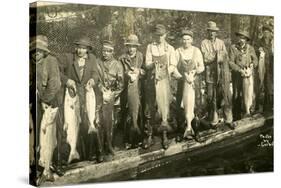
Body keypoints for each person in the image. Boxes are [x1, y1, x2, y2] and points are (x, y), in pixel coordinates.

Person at [58, 36, 104, 163]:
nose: (80, 51)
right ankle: (73, 154)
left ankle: (97, 152)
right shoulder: (68, 58)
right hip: (73, 96)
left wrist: (93, 80)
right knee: (73, 124)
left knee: (91, 122)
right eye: (78, 47)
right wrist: (66, 80)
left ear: (88, 50)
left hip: (88, 95)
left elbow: (95, 74)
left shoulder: (92, 59)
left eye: (83, 48)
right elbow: (58, 71)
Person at [30, 35, 62, 183]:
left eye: (39, 51)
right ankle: (39, 167)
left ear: (44, 52)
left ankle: (55, 164)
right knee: (37, 136)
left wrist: (45, 101)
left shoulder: (51, 61)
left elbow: (55, 83)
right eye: (34, 51)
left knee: (53, 136)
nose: (36, 53)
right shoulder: (31, 64)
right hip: (36, 104)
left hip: (50, 104)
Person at [145, 24, 178, 149]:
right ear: (154, 35)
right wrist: (153, 65)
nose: (159, 38)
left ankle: (164, 134)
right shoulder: (150, 47)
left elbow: (173, 64)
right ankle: (149, 135)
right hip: (152, 81)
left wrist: (166, 71)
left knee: (164, 105)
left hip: (165, 80)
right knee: (150, 109)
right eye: (157, 35)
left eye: (161, 35)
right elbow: (147, 64)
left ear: (165, 35)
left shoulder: (170, 48)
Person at [171, 29, 204, 141]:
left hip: (194, 83)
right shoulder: (177, 51)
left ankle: (196, 130)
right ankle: (181, 131)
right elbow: (173, 67)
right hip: (182, 83)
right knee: (181, 107)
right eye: (184, 39)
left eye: (188, 39)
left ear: (192, 40)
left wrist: (194, 72)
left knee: (196, 106)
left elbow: (201, 67)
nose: (186, 41)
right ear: (181, 40)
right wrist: (180, 76)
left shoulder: (197, 51)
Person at [201, 21, 234, 129]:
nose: (212, 33)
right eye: (210, 31)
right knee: (212, 97)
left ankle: (228, 119)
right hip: (210, 75)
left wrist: (217, 56)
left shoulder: (221, 42)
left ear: (216, 33)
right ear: (208, 32)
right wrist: (216, 55)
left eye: (214, 32)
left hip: (222, 75)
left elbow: (225, 57)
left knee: (226, 96)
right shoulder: (204, 43)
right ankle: (214, 121)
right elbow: (206, 58)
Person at [97, 40, 124, 156]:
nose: (105, 53)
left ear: (112, 52)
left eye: (108, 51)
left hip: (113, 98)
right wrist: (100, 88)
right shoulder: (97, 62)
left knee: (112, 122)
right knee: (99, 122)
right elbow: (95, 78)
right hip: (99, 97)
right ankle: (100, 148)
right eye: (104, 51)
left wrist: (114, 93)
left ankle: (110, 145)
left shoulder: (117, 64)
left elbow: (121, 83)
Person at [119, 34, 146, 149]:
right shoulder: (122, 58)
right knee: (126, 115)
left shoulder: (141, 56)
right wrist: (127, 74)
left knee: (139, 113)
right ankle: (127, 140)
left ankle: (138, 139)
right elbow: (119, 74)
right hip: (126, 90)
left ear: (137, 47)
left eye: (133, 46)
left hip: (139, 90)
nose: (131, 49)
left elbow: (146, 72)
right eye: (129, 46)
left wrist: (139, 71)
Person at [229, 30, 258, 119]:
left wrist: (252, 65)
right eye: (240, 37)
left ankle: (249, 112)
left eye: (243, 38)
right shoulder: (233, 48)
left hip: (248, 75)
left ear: (246, 40)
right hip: (238, 75)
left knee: (250, 94)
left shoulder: (250, 48)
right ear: (237, 38)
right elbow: (230, 62)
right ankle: (236, 116)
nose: (241, 40)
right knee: (237, 95)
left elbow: (255, 60)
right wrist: (239, 70)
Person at [255, 24, 274, 112]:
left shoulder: (273, 42)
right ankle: (258, 108)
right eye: (264, 32)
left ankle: (269, 109)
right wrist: (258, 51)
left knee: (270, 89)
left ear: (270, 33)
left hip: (271, 69)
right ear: (262, 33)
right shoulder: (258, 42)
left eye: (268, 32)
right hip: (261, 68)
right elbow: (254, 52)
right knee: (260, 88)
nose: (266, 34)